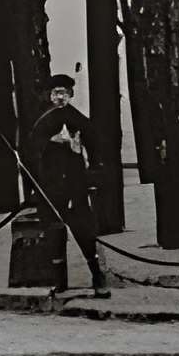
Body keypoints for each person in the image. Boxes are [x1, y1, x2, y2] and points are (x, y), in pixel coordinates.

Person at [31, 76, 111, 296]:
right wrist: (50, 142)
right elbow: (31, 151)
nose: (60, 97)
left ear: (71, 95)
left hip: (75, 186)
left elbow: (95, 149)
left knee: (83, 230)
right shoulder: (42, 122)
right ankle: (59, 281)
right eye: (56, 93)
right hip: (51, 187)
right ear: (50, 96)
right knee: (54, 232)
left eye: (64, 93)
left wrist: (93, 176)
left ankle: (97, 276)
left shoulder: (80, 120)